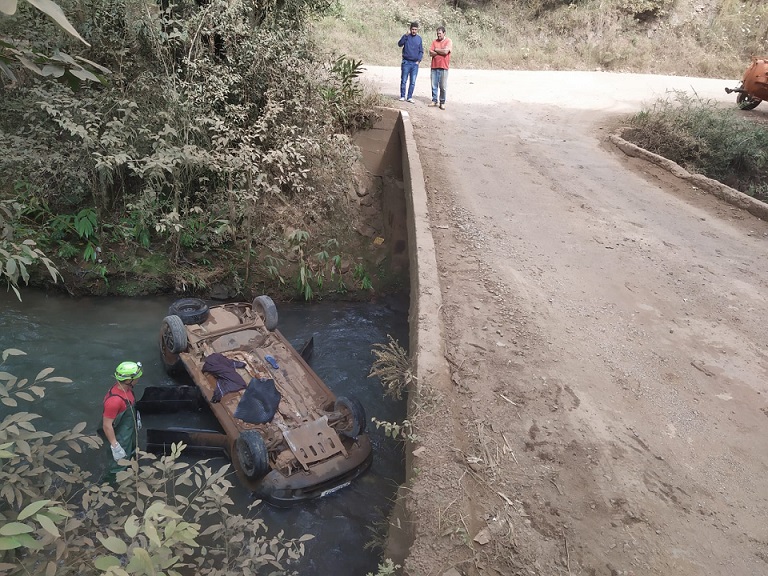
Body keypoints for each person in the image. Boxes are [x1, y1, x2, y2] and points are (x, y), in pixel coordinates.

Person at [102, 361, 143, 484]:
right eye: (136, 377)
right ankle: (109, 486)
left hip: (129, 430)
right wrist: (115, 446)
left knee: (130, 454)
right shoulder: (114, 401)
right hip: (120, 435)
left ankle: (129, 475)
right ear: (128, 380)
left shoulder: (127, 389)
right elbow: (107, 425)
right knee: (118, 464)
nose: (139, 378)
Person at [398, 22, 423, 103]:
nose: (414, 31)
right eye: (412, 29)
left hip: (415, 64)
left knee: (412, 82)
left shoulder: (419, 38)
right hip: (406, 62)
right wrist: (405, 35)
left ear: (417, 30)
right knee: (404, 80)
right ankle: (402, 96)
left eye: (415, 29)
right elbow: (400, 44)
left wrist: (418, 60)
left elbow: (421, 51)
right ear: (410, 29)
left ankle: (409, 97)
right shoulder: (406, 37)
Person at [428, 26, 452, 110]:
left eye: (440, 33)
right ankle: (434, 100)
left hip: (443, 67)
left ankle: (442, 102)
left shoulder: (448, 41)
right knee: (434, 85)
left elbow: (446, 52)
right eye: (437, 34)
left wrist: (436, 50)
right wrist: (440, 51)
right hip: (434, 66)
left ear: (444, 33)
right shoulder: (434, 41)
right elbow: (430, 53)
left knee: (443, 86)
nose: (438, 35)